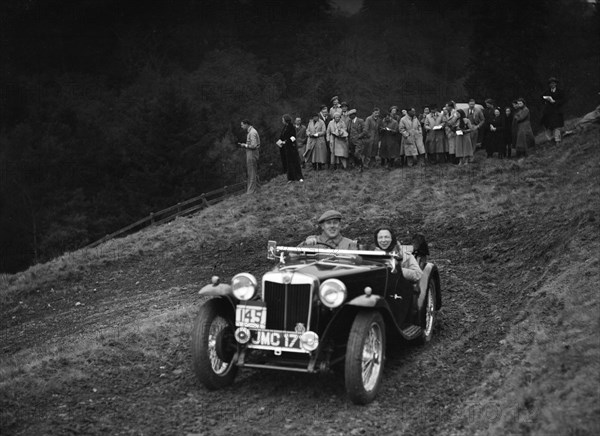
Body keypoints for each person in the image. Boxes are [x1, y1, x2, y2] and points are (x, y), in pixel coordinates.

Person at [277, 114, 304, 183]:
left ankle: (299, 177)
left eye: (283, 119)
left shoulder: (291, 127)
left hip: (292, 147)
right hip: (286, 148)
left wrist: (285, 142)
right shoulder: (285, 127)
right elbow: (282, 136)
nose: (282, 121)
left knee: (295, 162)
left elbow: (293, 137)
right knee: (289, 163)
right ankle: (291, 178)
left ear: (286, 120)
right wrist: (280, 141)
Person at [541, 77, 566, 145]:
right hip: (549, 112)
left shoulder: (560, 91)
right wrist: (546, 101)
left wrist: (555, 101)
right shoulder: (547, 91)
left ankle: (558, 140)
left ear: (556, 84)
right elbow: (541, 97)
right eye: (550, 83)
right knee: (549, 126)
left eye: (553, 83)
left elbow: (563, 100)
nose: (552, 85)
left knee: (557, 126)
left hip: (557, 111)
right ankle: (552, 139)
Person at [239, 119, 260, 194]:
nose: (241, 127)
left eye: (242, 125)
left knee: (251, 172)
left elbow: (254, 145)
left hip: (252, 154)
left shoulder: (252, 132)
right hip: (252, 153)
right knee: (254, 171)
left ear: (246, 124)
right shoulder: (251, 132)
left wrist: (245, 145)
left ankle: (251, 191)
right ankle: (257, 188)